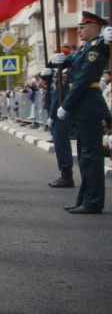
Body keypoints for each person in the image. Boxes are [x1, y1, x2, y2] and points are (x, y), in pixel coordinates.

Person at [51, 11, 111, 214]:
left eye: (83, 27)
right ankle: (85, 199)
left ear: (95, 28)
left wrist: (66, 105)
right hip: (82, 109)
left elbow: (84, 79)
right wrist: (55, 62)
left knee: (91, 157)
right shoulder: (85, 48)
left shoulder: (99, 46)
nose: (79, 30)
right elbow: (71, 63)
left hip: (88, 107)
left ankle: (93, 201)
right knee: (85, 158)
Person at [41, 45, 74, 188]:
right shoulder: (57, 73)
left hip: (60, 114)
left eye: (56, 56)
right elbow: (51, 91)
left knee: (62, 144)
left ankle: (67, 175)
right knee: (60, 144)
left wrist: (52, 115)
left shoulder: (65, 74)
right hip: (57, 113)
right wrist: (45, 73)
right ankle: (65, 173)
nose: (53, 59)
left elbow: (57, 96)